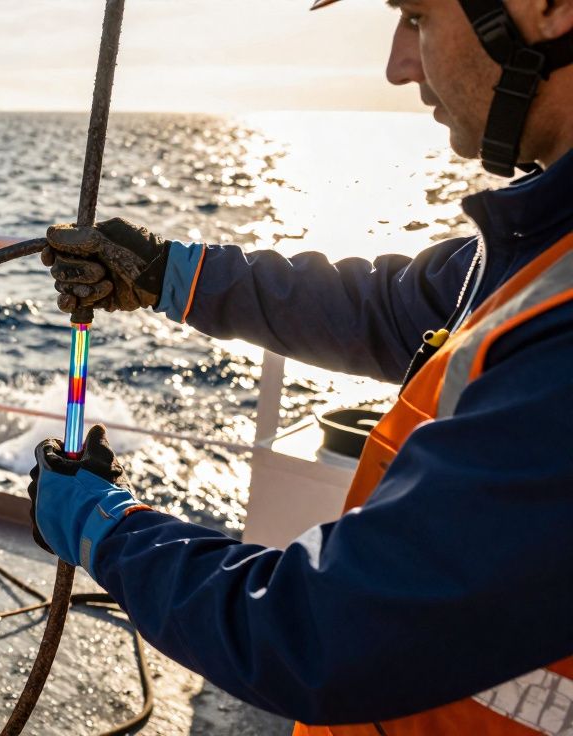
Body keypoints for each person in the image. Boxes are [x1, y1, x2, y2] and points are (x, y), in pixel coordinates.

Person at [28, 0, 573, 733]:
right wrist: (164, 273)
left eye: (416, 15)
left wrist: (100, 524)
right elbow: (386, 307)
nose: (397, 65)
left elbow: (319, 632)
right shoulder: (541, 250)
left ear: (550, 8)